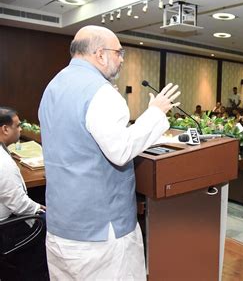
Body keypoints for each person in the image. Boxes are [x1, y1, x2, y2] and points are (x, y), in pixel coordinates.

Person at [38, 25, 181, 279]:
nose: (122, 59)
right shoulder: (101, 92)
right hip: (102, 235)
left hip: (62, 225)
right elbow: (121, 150)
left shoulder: (52, 86)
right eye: (119, 52)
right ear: (100, 54)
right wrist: (156, 112)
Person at [0, 107, 48, 280]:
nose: (20, 129)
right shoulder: (3, 164)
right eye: (17, 126)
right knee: (47, 219)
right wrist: (39, 208)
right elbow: (18, 203)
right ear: (5, 129)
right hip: (5, 228)